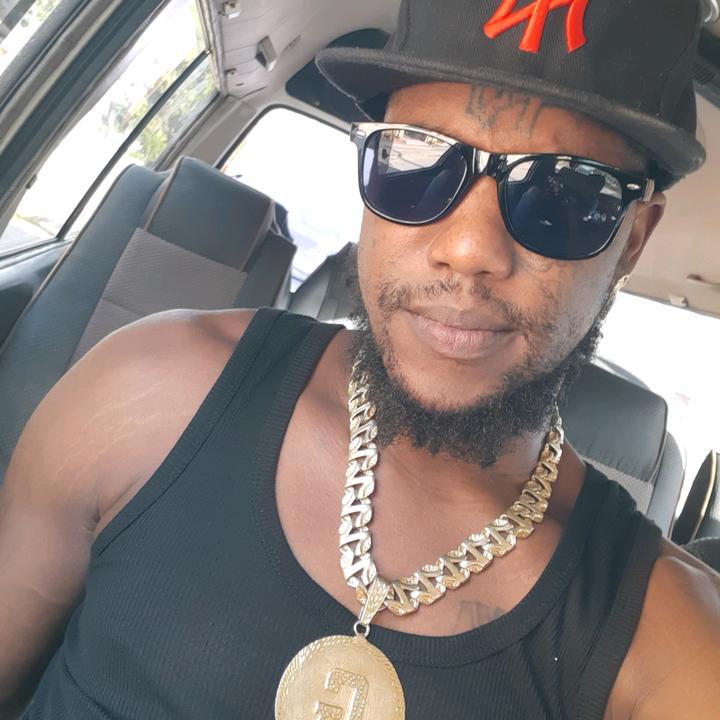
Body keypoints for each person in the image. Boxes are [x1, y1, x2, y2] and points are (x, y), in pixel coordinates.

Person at [1, 0, 719, 718]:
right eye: (416, 159)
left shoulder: (667, 637)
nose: (468, 249)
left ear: (631, 241)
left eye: (564, 194)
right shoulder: (149, 388)